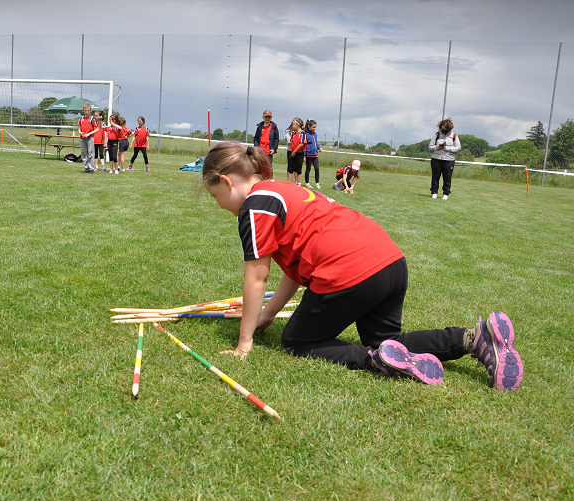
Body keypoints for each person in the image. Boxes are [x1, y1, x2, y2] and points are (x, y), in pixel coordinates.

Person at [201, 143, 523, 390]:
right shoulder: (286, 189)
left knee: (297, 342)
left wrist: (244, 343)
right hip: (389, 261)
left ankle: (375, 361)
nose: (220, 205)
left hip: (348, 270)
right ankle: (473, 338)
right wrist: (268, 315)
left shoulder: (255, 206)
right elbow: (293, 272)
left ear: (227, 182)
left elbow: (257, 278)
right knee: (388, 342)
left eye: (215, 196)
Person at [428, 118, 461, 200]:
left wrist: (447, 148)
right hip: (436, 159)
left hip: (449, 160)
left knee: (447, 178)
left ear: (450, 128)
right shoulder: (437, 135)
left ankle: (446, 194)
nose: (444, 130)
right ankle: (434, 192)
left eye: (446, 128)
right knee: (435, 177)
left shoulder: (454, 136)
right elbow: (430, 147)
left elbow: (458, 148)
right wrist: (437, 147)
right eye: (442, 128)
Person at [77, 104, 98, 174]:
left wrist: (89, 134)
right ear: (83, 111)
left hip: (90, 138)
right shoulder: (81, 119)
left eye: (88, 110)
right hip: (82, 138)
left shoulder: (92, 119)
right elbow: (79, 128)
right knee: (84, 153)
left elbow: (97, 129)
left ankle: (91, 168)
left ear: (90, 111)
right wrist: (80, 132)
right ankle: (86, 167)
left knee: (91, 153)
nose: (87, 112)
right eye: (85, 110)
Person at [286, 118, 306, 186]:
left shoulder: (302, 133)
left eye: (293, 125)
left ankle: (299, 184)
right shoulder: (293, 133)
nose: (292, 126)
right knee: (290, 168)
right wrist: (292, 151)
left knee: (298, 169)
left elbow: (302, 144)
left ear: (297, 125)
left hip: (299, 153)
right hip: (291, 152)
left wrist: (294, 151)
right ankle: (289, 183)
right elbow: (291, 142)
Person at [303, 120, 322, 189]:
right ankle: (307, 183)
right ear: (309, 126)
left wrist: (319, 147)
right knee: (308, 169)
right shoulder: (305, 134)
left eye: (315, 127)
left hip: (315, 155)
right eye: (313, 127)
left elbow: (315, 143)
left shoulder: (315, 134)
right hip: (308, 155)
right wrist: (304, 156)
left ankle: (317, 184)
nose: (314, 128)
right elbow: (304, 146)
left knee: (317, 168)